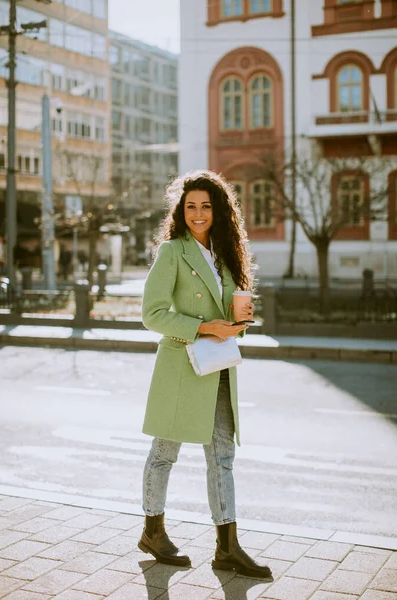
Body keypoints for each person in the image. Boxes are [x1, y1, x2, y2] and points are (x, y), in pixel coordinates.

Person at [138, 170, 272, 579]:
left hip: (218, 367)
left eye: (206, 206)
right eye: (191, 206)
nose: (198, 213)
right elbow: (152, 314)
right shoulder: (172, 251)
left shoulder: (224, 252)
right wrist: (203, 327)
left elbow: (229, 310)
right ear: (182, 210)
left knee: (222, 458)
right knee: (165, 453)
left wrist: (237, 321)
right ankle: (152, 531)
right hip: (182, 367)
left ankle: (227, 547)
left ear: (219, 211)